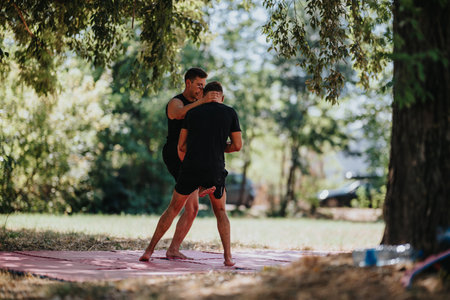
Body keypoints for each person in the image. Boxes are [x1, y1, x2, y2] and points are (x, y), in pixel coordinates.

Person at [140, 81, 242, 266]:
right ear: (222, 97)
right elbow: (237, 145)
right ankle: (227, 257)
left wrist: (192, 157)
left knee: (173, 209)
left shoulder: (192, 112)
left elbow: (181, 146)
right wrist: (218, 147)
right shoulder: (230, 113)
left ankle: (149, 250)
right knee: (220, 211)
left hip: (190, 167)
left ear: (205, 95)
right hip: (215, 168)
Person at [161, 67, 221, 259]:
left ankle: (173, 249)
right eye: (199, 85)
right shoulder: (176, 102)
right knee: (187, 206)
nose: (201, 89)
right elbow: (178, 115)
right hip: (174, 153)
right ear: (188, 83)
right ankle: (168, 249)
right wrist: (203, 102)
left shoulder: (199, 102)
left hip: (190, 154)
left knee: (192, 209)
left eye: (204, 86)